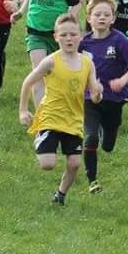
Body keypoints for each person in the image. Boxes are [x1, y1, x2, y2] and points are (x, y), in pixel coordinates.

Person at [19, 13, 103, 205]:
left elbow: (95, 96)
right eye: (64, 35)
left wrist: (97, 92)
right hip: (50, 116)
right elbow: (28, 82)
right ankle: (41, 137)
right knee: (47, 164)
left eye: (73, 35)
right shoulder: (51, 61)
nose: (68, 39)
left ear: (80, 36)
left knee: (75, 163)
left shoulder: (87, 63)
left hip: (73, 119)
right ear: (56, 36)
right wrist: (23, 111)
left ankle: (60, 195)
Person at [76, 0, 128, 194]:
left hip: (115, 99)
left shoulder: (119, 40)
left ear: (113, 18)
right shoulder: (83, 43)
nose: (101, 18)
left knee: (108, 145)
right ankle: (92, 180)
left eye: (106, 14)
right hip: (89, 98)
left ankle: (108, 132)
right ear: (89, 17)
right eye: (97, 14)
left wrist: (123, 80)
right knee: (91, 137)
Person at [16, 0, 79, 105]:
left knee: (57, 75)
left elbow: (76, 3)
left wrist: (71, 20)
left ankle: (59, 107)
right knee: (38, 74)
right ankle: (41, 122)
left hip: (57, 36)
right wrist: (19, 10)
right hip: (35, 33)